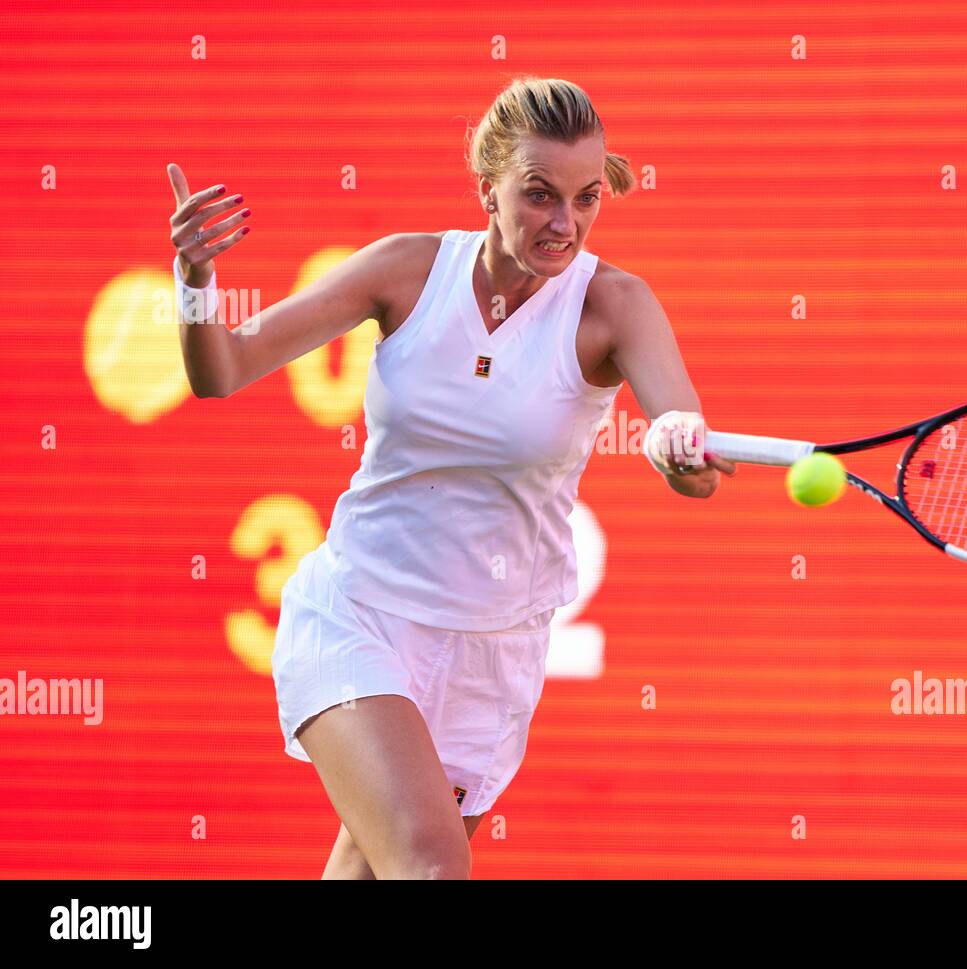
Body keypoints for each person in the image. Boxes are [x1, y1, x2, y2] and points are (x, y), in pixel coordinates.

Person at [166, 77, 737, 879]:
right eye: (539, 196)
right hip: (362, 615)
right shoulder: (405, 270)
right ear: (487, 189)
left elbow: (692, 459)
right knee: (431, 867)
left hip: (493, 654)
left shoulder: (617, 305)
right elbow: (222, 369)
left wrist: (683, 446)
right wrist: (195, 281)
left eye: (584, 199)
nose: (563, 224)